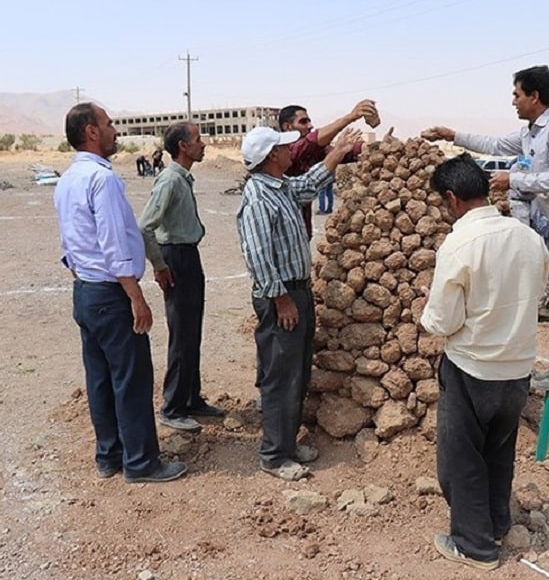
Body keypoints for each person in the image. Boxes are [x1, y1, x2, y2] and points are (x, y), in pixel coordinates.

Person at [421, 64, 549, 392]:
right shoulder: (529, 133)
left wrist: (514, 179)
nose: (513, 101)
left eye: (517, 94)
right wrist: (452, 135)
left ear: (534, 96)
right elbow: (494, 144)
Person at [420, 154, 549, 571]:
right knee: (498, 451)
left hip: (472, 368)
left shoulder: (459, 244)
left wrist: (428, 307)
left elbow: (443, 321)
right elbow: (536, 290)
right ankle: (496, 523)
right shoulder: (528, 238)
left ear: (452, 198)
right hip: (517, 368)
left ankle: (474, 546)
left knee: (461, 459)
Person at [53, 103, 187, 483]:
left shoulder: (67, 179)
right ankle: (142, 463)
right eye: (109, 124)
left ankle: (109, 455)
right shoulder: (102, 179)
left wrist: (84, 278)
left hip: (85, 291)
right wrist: (135, 297)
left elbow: (69, 243)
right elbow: (113, 244)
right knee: (131, 378)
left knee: (99, 378)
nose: (115, 131)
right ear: (92, 132)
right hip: (110, 295)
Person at [236, 125, 360, 481]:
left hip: (296, 292)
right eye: (284, 147)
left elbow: (309, 184)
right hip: (282, 297)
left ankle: (287, 444)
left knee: (297, 373)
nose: (291, 150)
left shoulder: (280, 187)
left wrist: (338, 151)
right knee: (280, 376)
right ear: (271, 156)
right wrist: (282, 300)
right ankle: (274, 456)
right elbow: (258, 256)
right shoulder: (259, 198)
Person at [138, 122, 224, 433]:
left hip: (187, 256)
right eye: (198, 139)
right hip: (176, 258)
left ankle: (190, 398)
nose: (204, 144)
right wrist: (160, 265)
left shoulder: (183, 178)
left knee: (191, 332)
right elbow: (144, 227)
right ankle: (172, 407)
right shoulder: (170, 180)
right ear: (183, 147)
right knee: (182, 335)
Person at [279, 100, 376, 235]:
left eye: (309, 121)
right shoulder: (286, 151)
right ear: (287, 127)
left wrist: (376, 147)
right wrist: (350, 117)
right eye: (303, 122)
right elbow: (311, 142)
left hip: (301, 230)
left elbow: (339, 152)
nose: (310, 126)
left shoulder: (311, 152)